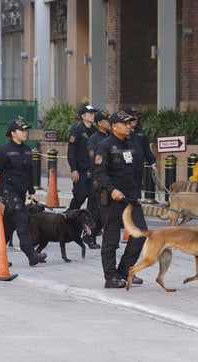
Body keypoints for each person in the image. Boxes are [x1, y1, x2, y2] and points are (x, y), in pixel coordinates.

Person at [93, 111, 148, 289]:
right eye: (125, 124)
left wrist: (138, 194)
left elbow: (137, 170)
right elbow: (99, 172)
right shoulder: (105, 146)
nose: (129, 126)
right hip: (113, 199)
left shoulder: (133, 143)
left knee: (140, 234)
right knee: (111, 239)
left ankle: (125, 270)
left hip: (131, 198)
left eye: (130, 123)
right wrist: (111, 189)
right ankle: (111, 277)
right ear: (114, 126)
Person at [0, 117, 47, 266]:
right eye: (21, 130)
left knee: (7, 227)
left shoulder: (27, 150)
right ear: (13, 133)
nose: (25, 132)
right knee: (22, 221)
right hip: (8, 192)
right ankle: (31, 254)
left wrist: (32, 191)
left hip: (20, 193)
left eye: (25, 130)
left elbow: (28, 174)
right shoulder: (4, 151)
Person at [67, 104, 100, 249]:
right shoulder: (77, 130)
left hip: (92, 172)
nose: (93, 115)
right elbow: (71, 152)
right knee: (80, 197)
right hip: (80, 171)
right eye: (90, 113)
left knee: (94, 200)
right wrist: (73, 169)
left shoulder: (95, 131)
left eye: (93, 113)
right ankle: (67, 220)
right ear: (83, 116)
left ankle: (89, 234)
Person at [86, 109, 112, 245]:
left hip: (110, 178)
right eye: (107, 120)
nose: (109, 123)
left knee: (107, 210)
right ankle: (90, 235)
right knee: (98, 211)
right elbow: (93, 160)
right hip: (99, 178)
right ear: (100, 123)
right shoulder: (94, 139)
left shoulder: (111, 136)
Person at [124, 107, 158, 180]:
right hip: (125, 170)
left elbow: (146, 148)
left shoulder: (140, 131)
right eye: (133, 116)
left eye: (136, 116)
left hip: (138, 169)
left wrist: (152, 163)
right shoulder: (122, 131)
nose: (135, 118)